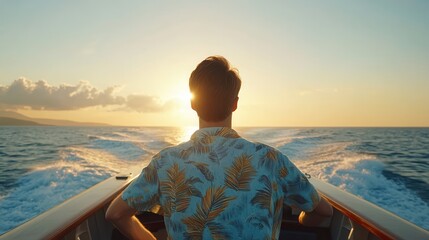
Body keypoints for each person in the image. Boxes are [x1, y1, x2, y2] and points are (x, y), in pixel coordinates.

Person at [105, 56, 333, 240]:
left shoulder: (166, 162)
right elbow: (324, 212)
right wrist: (304, 219)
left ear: (192, 103)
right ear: (235, 103)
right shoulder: (270, 159)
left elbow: (115, 214)